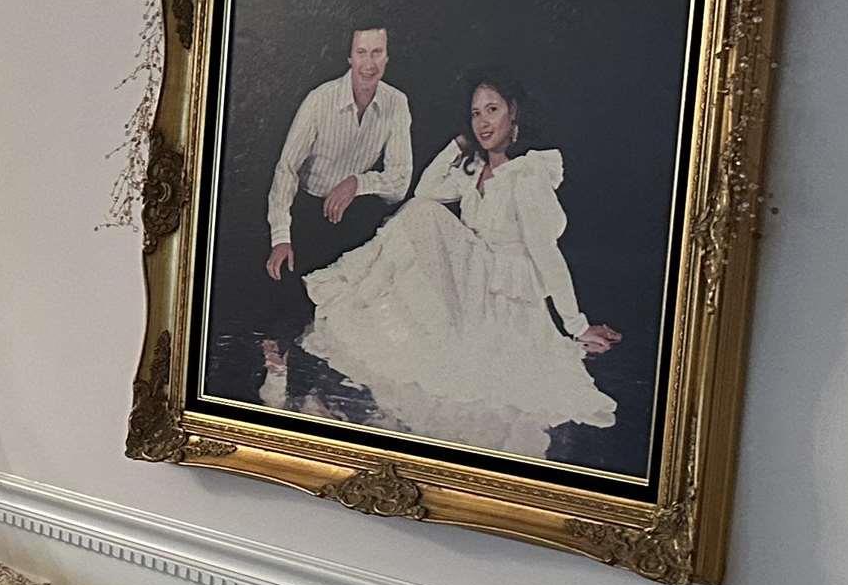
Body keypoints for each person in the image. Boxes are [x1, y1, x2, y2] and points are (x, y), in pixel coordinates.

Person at [298, 70, 623, 458]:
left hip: (504, 297)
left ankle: (361, 296)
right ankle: (363, 299)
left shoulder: (526, 176)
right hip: (471, 285)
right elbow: (426, 190)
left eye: (492, 110)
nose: (483, 122)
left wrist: (577, 324)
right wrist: (458, 144)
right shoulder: (473, 171)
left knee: (420, 217)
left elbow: (546, 255)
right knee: (419, 210)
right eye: (475, 114)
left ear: (514, 113)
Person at [261, 24, 411, 353]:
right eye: (361, 53)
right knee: (289, 316)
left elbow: (400, 182)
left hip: (355, 217)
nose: (369, 63)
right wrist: (281, 238)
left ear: (387, 58)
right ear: (349, 57)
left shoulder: (396, 103)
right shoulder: (320, 100)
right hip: (306, 215)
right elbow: (286, 170)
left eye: (376, 53)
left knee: (353, 320)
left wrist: (358, 182)